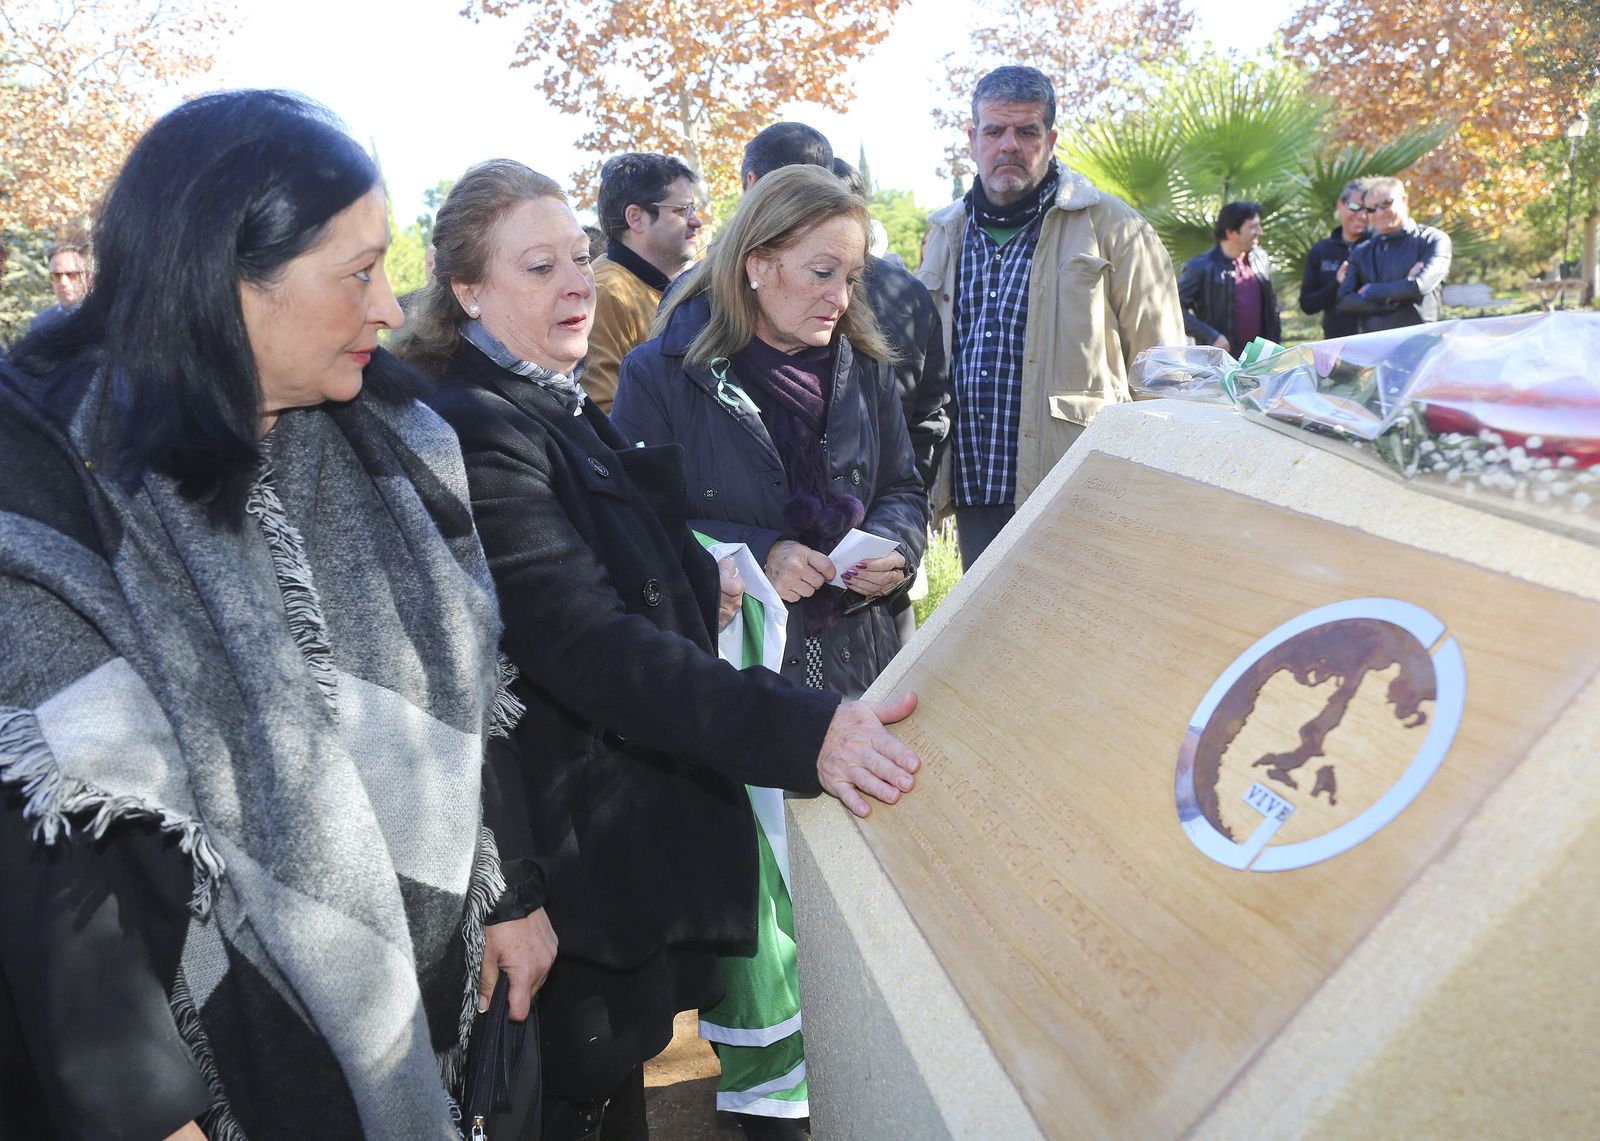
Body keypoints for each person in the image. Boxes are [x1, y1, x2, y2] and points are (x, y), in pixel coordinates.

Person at [0, 91, 546, 1139]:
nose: (392, 307)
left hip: (428, 988)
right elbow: (51, 845)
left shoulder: (395, 438)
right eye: (357, 273)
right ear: (224, 283)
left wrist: (510, 888)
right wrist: (148, 1111)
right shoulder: (45, 481)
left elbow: (474, 684)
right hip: (206, 1052)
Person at [389, 159, 923, 1141]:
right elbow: (581, 638)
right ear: (466, 289)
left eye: (580, 260)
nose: (577, 285)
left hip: (616, 826)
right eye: (539, 266)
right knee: (572, 1091)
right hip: (564, 843)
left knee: (607, 1080)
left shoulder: (538, 394)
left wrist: (698, 569)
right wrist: (801, 731)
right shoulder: (471, 425)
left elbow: (626, 528)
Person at [916, 65, 1184, 569]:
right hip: (976, 484)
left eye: (1027, 131)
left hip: (1078, 485)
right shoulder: (945, 233)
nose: (1009, 145)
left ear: (1051, 139)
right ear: (972, 139)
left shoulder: (1116, 229)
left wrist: (1158, 489)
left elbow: (1166, 370)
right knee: (989, 638)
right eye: (994, 131)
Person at [583, 152, 704, 412]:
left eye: (693, 209)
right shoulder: (606, 293)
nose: (697, 221)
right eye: (683, 210)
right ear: (636, 218)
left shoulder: (666, 288)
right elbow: (608, 414)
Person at [1337, 177, 1453, 333]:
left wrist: (1370, 290)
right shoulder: (1361, 251)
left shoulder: (1432, 239)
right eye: (1371, 209)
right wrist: (1398, 297)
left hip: (1423, 344)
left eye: (1386, 204)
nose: (1379, 213)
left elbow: (1419, 286)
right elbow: (1345, 301)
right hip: (1376, 347)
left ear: (1404, 200)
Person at [1178, 200, 1282, 354]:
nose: (1260, 232)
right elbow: (1175, 309)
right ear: (1231, 232)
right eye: (1253, 227)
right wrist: (1211, 336)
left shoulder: (1261, 258)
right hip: (1219, 364)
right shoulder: (1200, 267)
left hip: (1260, 361)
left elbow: (1271, 306)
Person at [1299, 179, 1370, 339]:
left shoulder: (1379, 246)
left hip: (1376, 341)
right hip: (1337, 345)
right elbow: (1307, 305)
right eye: (1355, 207)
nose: (1362, 215)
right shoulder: (1321, 250)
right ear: (1340, 205)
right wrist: (1337, 284)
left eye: (1368, 209)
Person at [30, 239, 92, 333]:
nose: (63, 283)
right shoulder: (40, 324)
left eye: (72, 275)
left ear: (88, 277)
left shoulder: (106, 317)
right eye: (56, 276)